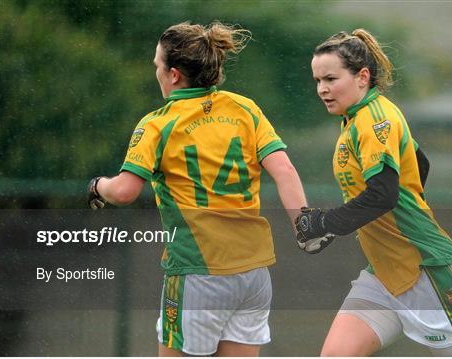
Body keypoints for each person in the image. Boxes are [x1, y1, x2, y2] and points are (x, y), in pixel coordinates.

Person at [87, 21, 324, 357]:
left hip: (198, 272)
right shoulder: (244, 109)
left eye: (157, 65)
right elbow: (284, 170)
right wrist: (303, 223)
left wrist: (98, 186)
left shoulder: (158, 124)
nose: (156, 72)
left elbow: (124, 191)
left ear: (172, 75)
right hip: (253, 273)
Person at [294, 29, 452, 356]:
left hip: (429, 272)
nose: (322, 89)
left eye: (330, 78)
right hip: (385, 275)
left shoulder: (374, 118)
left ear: (362, 77)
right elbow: (419, 163)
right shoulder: (356, 119)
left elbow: (383, 195)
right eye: (317, 80)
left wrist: (326, 223)